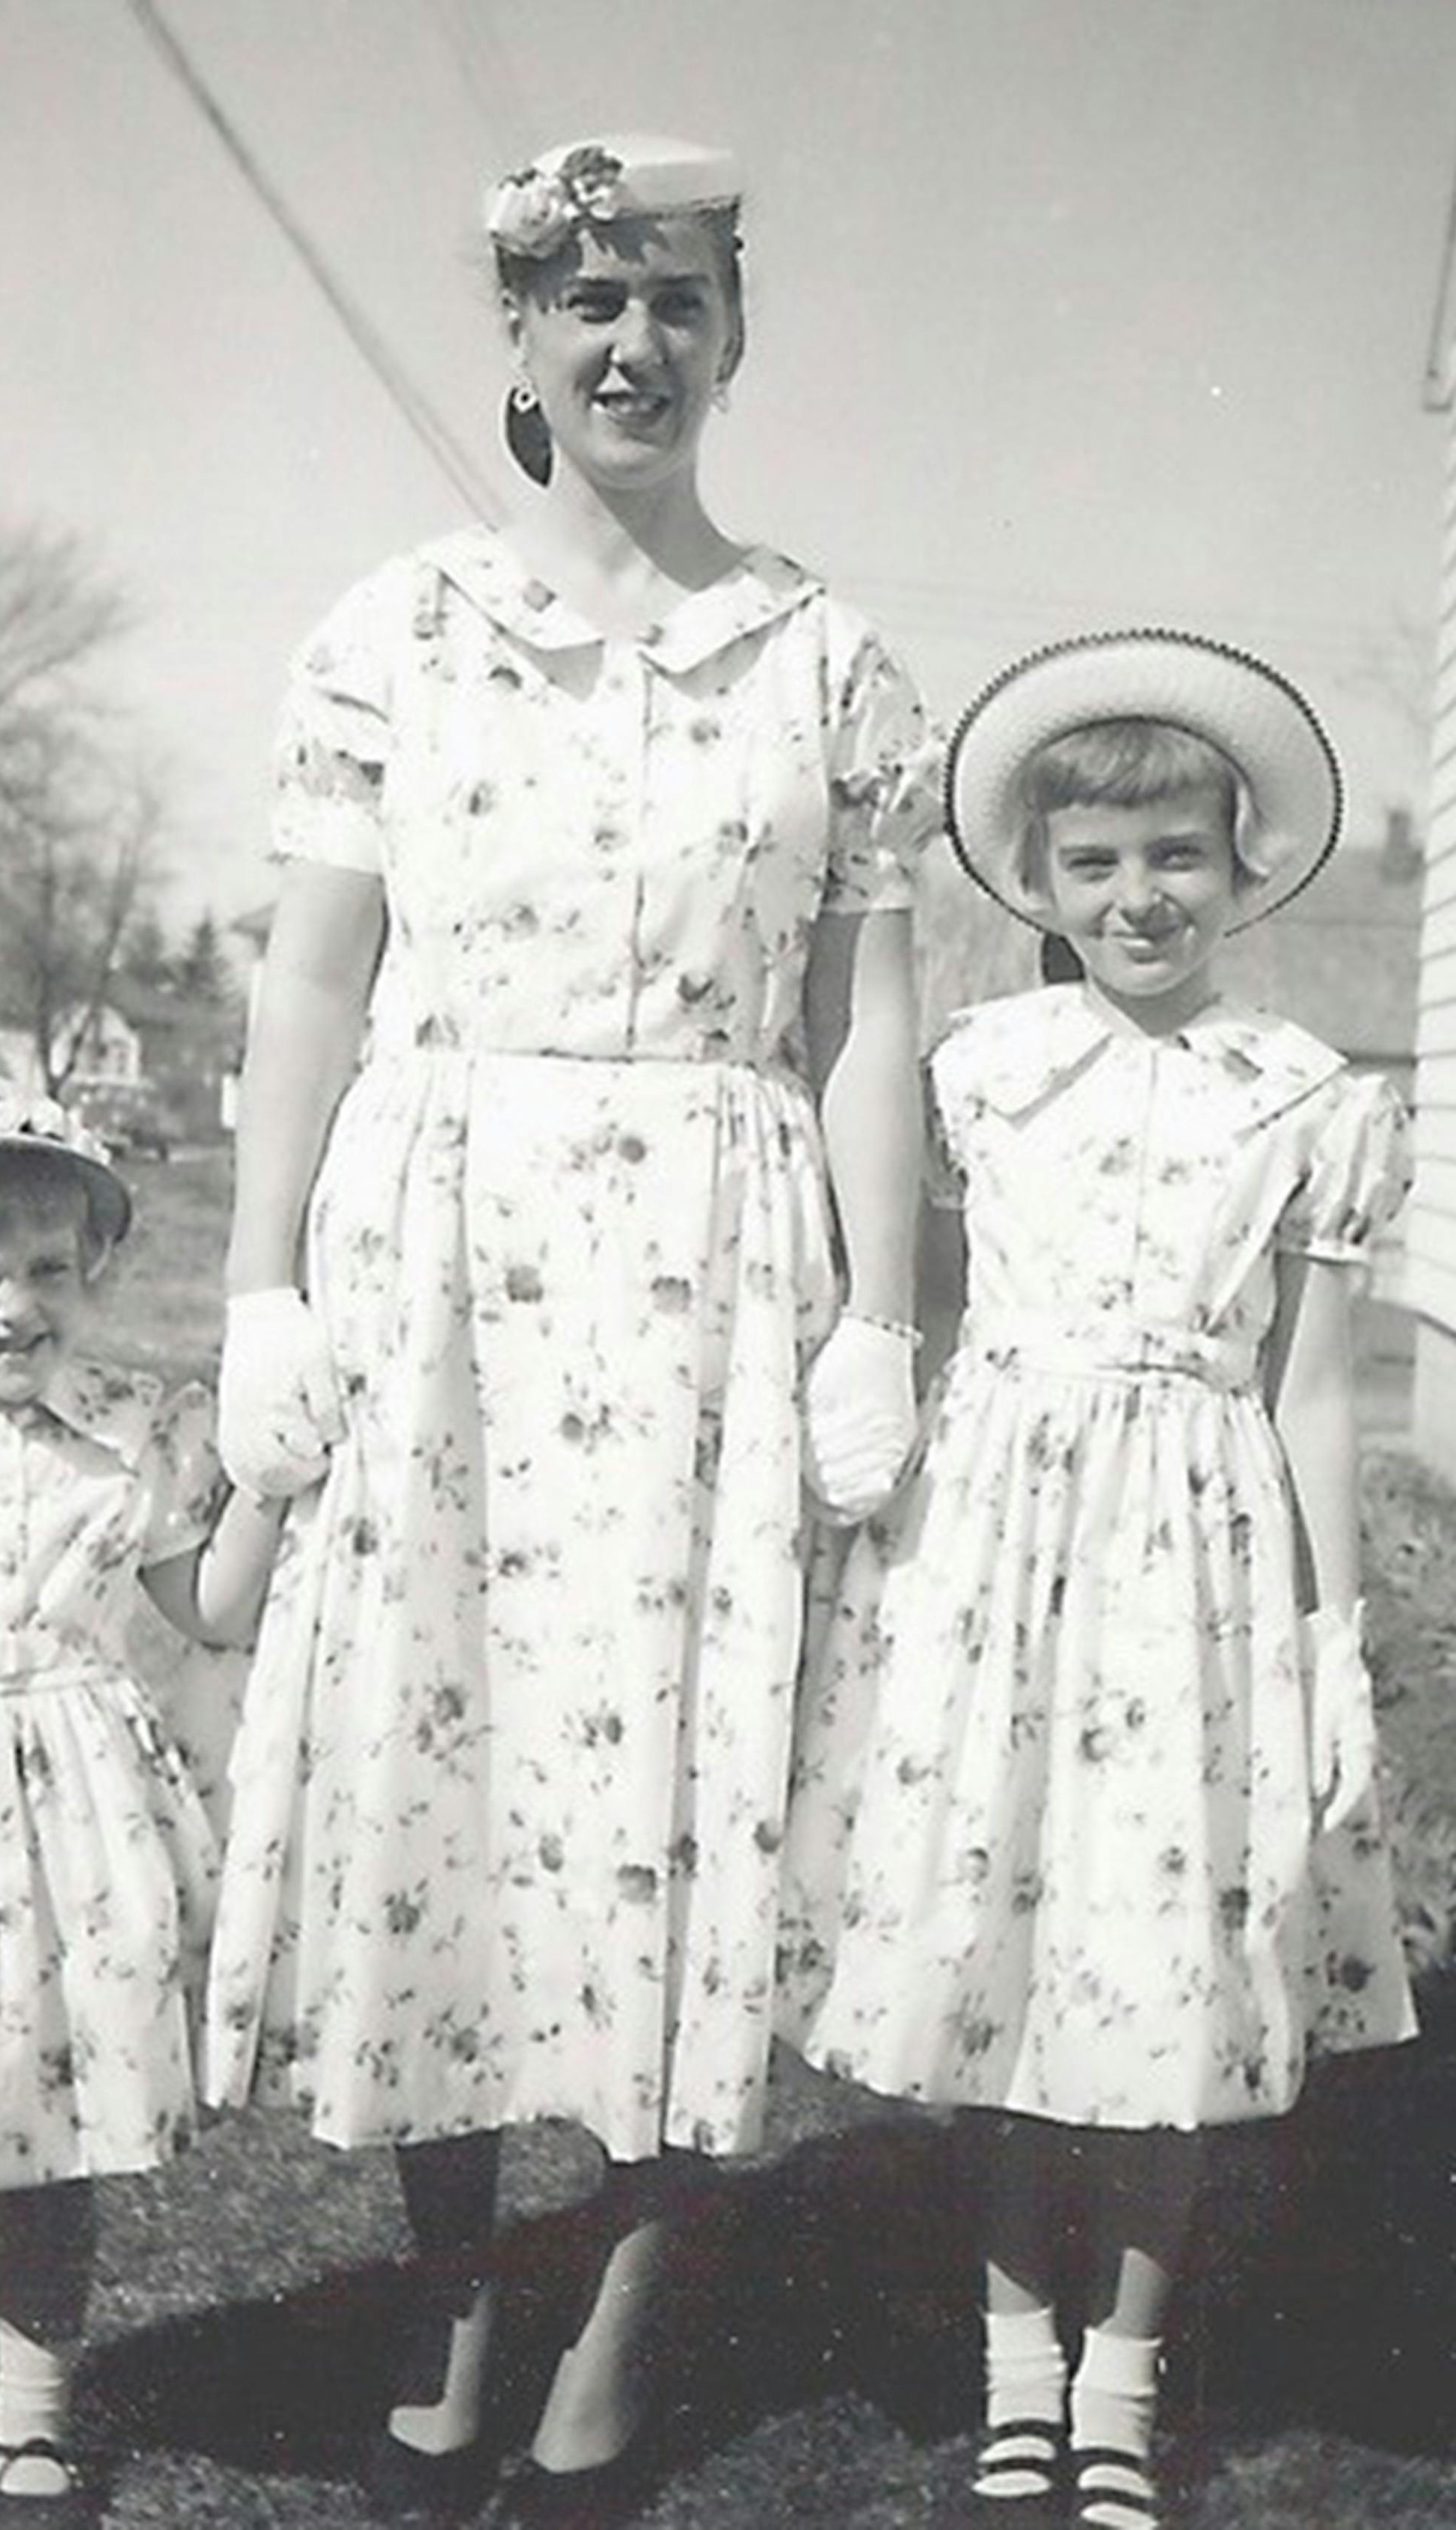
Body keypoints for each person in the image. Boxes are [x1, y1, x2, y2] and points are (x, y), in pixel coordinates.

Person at [204, 131, 942, 2517]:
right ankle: (449, 2294)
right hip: (447, 1267)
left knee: (684, 1790)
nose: (635, 345)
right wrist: (258, 1286)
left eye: (677, 301)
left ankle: (623, 2314)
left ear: (735, 336)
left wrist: (880, 1319)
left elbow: (864, 1019)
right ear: (520, 342)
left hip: (718, 1273)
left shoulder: (827, 662)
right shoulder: (396, 634)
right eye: (589, 302)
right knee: (444, 1772)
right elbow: (313, 984)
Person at [779, 630, 1417, 2530]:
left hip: (1195, 1564)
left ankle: (1123, 2387)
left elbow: (1313, 1391)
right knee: (1007, 1969)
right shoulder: (982, 1074)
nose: (1140, 897)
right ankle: (1014, 2374)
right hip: (997, 1550)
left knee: (1162, 1980)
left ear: (1241, 867)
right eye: (1097, 864)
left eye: (1177, 857)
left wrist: (1329, 1634)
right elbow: (912, 1303)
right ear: (1043, 884)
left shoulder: (1306, 1098)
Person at [0, 1076, 282, 2529]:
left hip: (74, 1823)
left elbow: (211, 1611)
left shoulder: (130, 1434)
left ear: (93, 1276)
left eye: (49, 1269)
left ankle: (33, 2421)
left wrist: (268, 1486)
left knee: (52, 2130)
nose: (16, 1306)